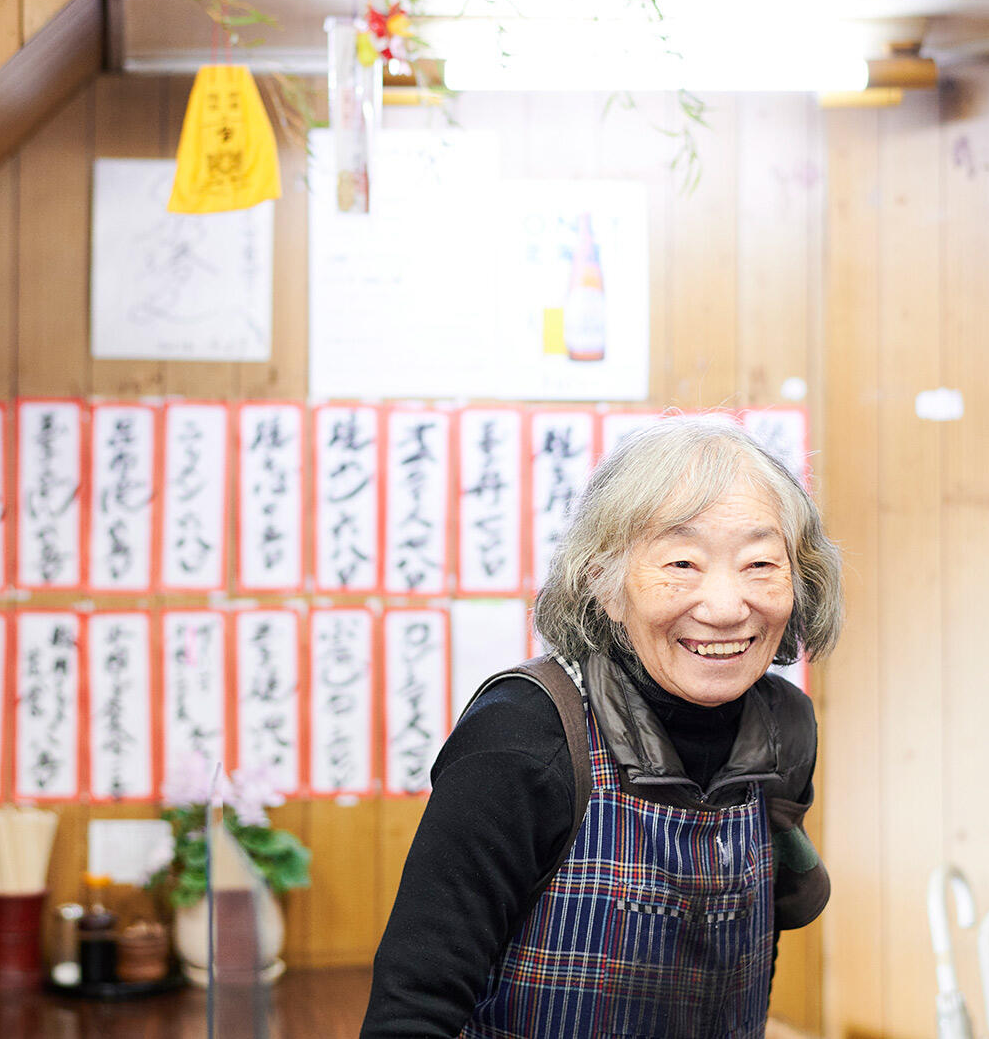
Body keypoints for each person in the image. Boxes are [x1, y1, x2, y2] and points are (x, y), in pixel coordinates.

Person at [361, 416, 842, 1038]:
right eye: (682, 563)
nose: (726, 607)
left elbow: (755, 949)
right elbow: (412, 1011)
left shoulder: (784, 728)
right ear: (602, 583)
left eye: (759, 564)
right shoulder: (525, 738)